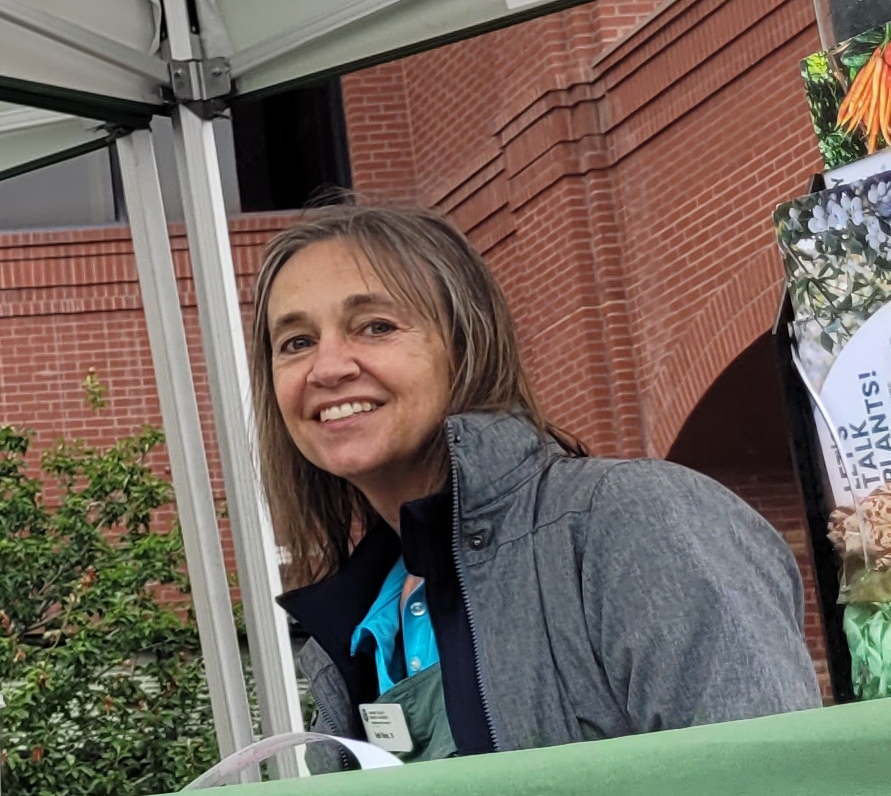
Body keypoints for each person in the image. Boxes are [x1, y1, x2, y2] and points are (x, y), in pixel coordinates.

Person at [253, 200, 821, 758]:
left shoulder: (631, 523)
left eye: (375, 326)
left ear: (466, 345)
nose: (327, 368)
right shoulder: (352, 633)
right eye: (296, 342)